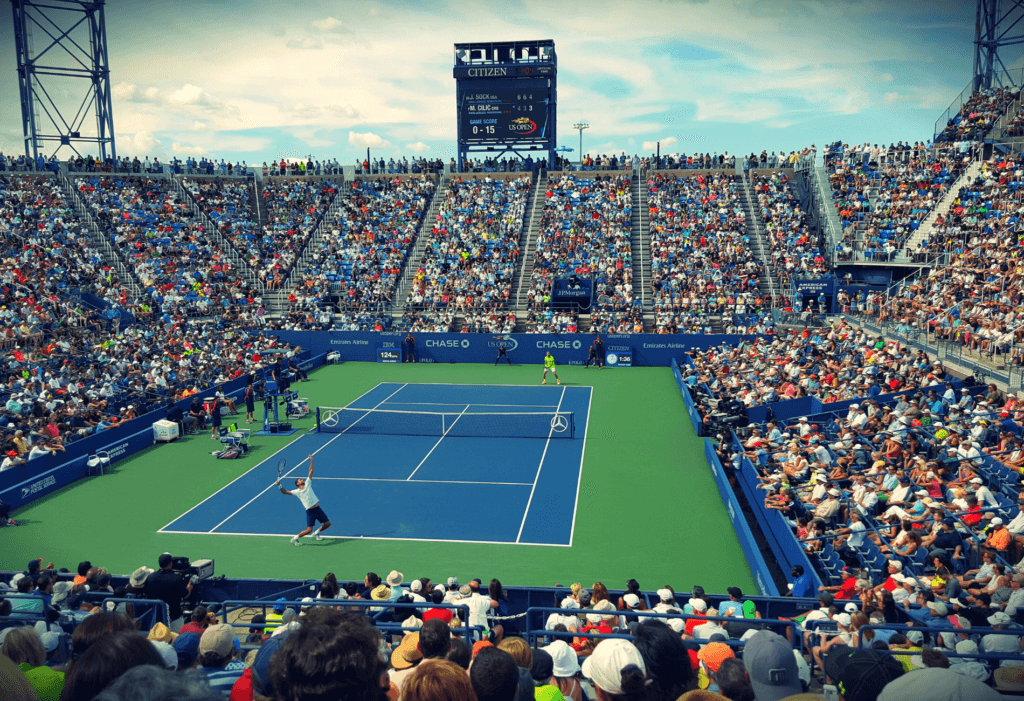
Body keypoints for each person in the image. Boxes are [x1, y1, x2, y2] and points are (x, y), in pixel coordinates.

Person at [277, 454, 331, 545]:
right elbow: (285, 492)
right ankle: (295, 538)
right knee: (309, 530)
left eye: (301, 479)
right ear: (297, 484)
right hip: (310, 512)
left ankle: (316, 533)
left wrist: (312, 460)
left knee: (328, 524)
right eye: (299, 480)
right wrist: (279, 485)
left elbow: (311, 471)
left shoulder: (308, 483)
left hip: (318, 509)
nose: (301, 480)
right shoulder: (296, 491)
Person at [145, 553, 196, 632]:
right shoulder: (176, 579)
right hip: (174, 617)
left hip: (156, 618)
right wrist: (190, 586)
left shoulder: (150, 577)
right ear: (170, 565)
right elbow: (186, 595)